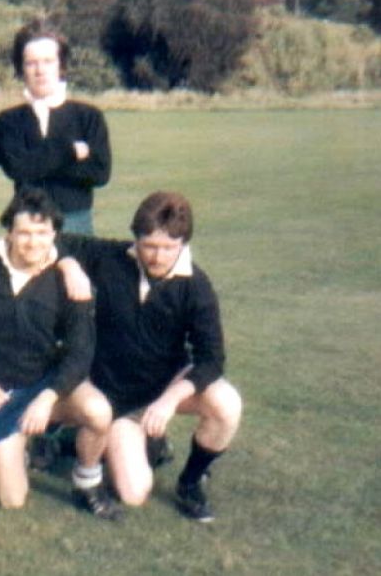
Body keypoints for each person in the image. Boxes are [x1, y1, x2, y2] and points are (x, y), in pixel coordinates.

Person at [57, 191, 243, 522]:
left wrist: (169, 401)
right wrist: (69, 265)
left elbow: (211, 359)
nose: (158, 256)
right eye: (149, 246)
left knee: (227, 404)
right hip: (117, 400)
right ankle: (127, 442)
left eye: (169, 248)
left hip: (165, 388)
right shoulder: (112, 258)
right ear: (136, 239)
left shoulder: (196, 286)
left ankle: (190, 483)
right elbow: (54, 240)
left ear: (183, 243)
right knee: (132, 493)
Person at [0, 189, 122, 520]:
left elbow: (80, 351)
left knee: (99, 411)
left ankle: (87, 482)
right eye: (24, 233)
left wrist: (47, 397)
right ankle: (6, 445)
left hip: (38, 387)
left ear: (55, 235)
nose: (32, 242)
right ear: (9, 233)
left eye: (42, 233)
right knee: (12, 500)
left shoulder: (68, 278)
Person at [0, 19, 111, 235]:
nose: (40, 70)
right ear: (21, 68)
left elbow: (99, 173)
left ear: (62, 65)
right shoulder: (7, 121)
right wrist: (70, 152)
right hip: (26, 228)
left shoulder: (88, 117)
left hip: (76, 224)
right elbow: (18, 169)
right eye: (31, 63)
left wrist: (37, 162)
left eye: (48, 61)